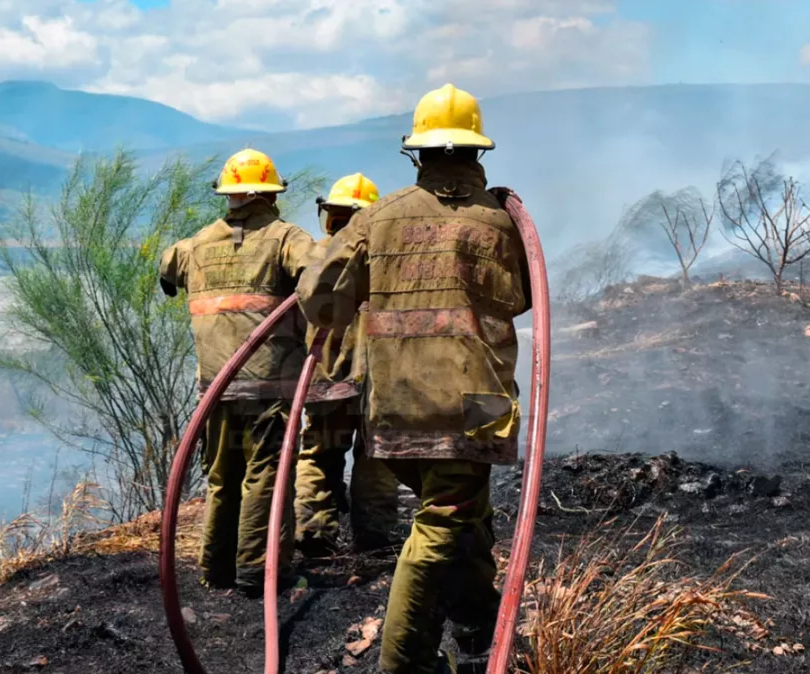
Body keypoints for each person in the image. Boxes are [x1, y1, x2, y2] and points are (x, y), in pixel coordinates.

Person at [296, 84, 532, 673]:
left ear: (417, 153)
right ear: (477, 153)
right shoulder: (502, 223)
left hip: (395, 405)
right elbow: (524, 300)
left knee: (464, 518)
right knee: (441, 528)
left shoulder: (377, 218)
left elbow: (318, 299)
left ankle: (478, 634)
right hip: (477, 405)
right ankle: (404, 664)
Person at [159, 148, 317, 598]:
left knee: (222, 477)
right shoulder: (287, 239)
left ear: (228, 195)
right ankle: (258, 573)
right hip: (269, 386)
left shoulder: (195, 245)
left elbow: (167, 268)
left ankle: (215, 570)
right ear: (271, 194)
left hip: (215, 387)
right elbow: (321, 277)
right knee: (266, 477)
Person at [294, 173, 400, 559]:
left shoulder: (313, 257)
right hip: (375, 380)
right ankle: (373, 538)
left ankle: (313, 534)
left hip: (323, 379)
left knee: (320, 453)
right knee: (375, 457)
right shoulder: (383, 261)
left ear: (330, 216)